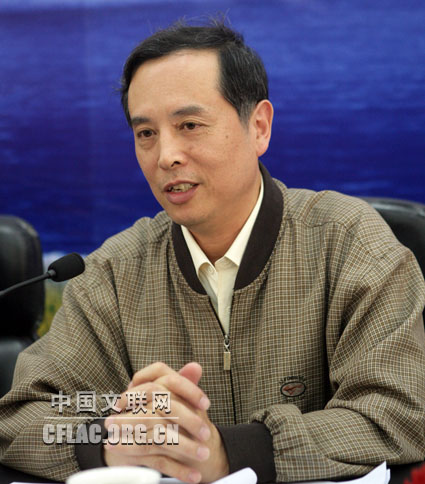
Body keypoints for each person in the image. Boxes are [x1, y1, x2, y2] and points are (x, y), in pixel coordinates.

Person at [1, 20, 424, 484]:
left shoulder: (347, 242)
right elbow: (20, 420)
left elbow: (401, 413)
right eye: (146, 133)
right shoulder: (114, 272)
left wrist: (229, 453)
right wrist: (106, 441)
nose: (166, 156)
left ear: (258, 126)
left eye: (189, 125)